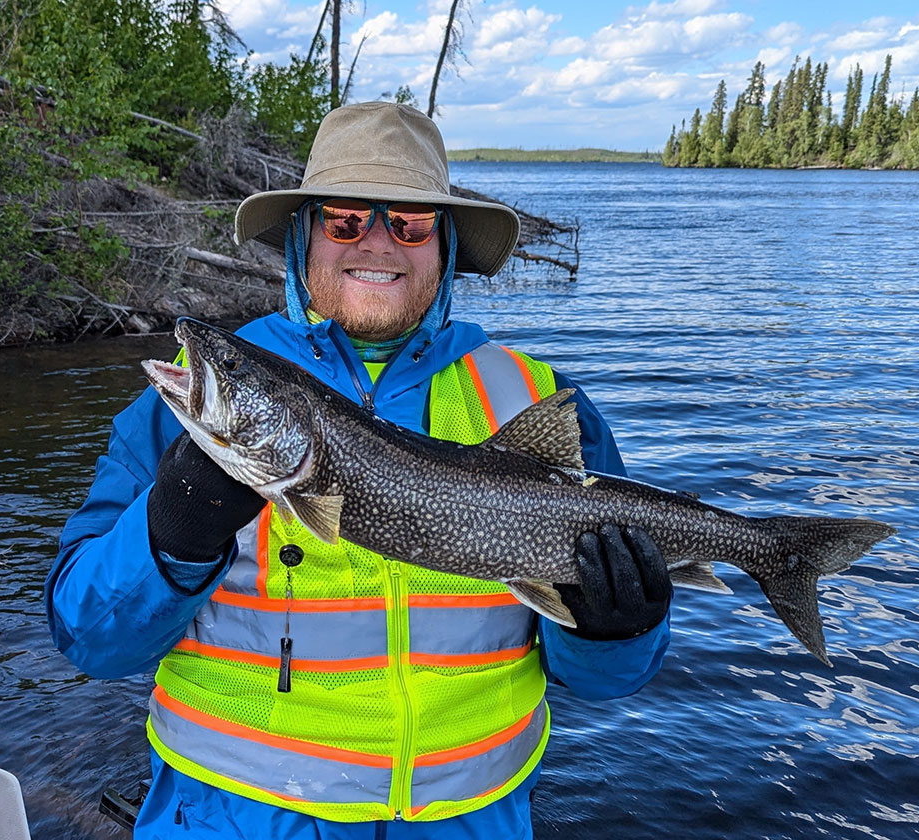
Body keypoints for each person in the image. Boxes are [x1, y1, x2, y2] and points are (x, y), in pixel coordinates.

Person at [45, 101, 672, 839]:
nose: (378, 242)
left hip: (470, 822)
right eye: (346, 219)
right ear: (304, 237)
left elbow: (606, 683)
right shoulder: (181, 411)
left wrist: (616, 631)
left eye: (409, 223)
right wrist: (167, 536)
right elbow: (87, 639)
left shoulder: (537, 398)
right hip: (227, 820)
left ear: (442, 248)